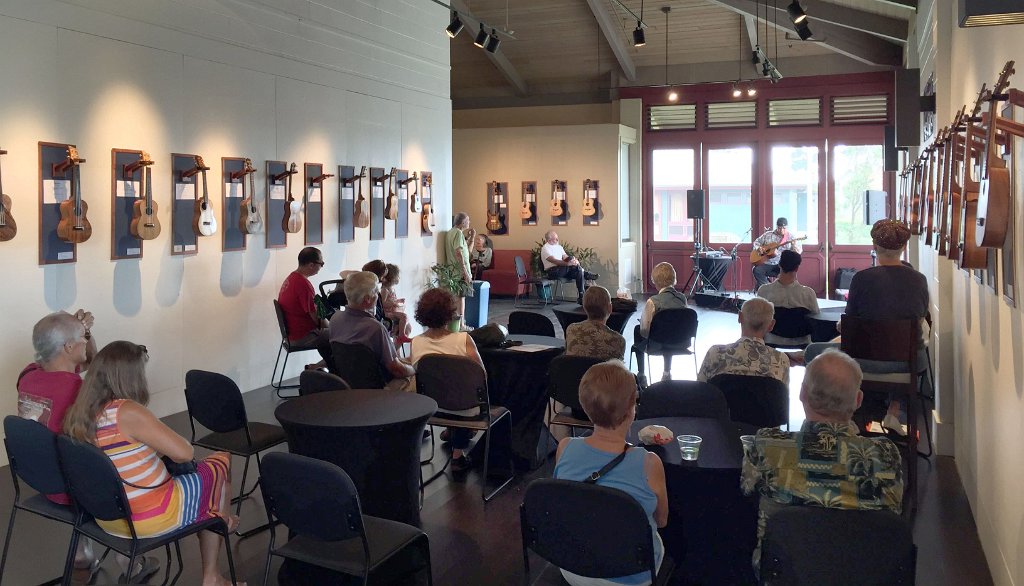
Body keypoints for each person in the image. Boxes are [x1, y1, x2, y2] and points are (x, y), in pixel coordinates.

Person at [63, 341, 239, 586]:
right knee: (220, 463)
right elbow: (185, 453)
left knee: (204, 480)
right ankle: (214, 567)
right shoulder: (128, 412)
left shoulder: (80, 413)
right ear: (130, 377)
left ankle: (218, 519)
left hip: (107, 517)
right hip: (150, 516)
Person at [741, 349, 903, 574]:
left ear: (801, 393)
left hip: (783, 574)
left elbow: (746, 489)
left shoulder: (767, 446)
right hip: (864, 574)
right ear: (858, 400)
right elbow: (892, 513)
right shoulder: (885, 455)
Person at [553, 360, 669, 586]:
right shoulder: (649, 462)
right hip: (631, 575)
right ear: (631, 409)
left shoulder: (564, 447)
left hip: (572, 568)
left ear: (584, 405)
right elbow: (661, 521)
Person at [17, 309, 113, 578]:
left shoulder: (27, 376)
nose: (86, 341)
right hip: (72, 490)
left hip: (41, 479)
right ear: (69, 347)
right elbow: (95, 364)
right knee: (111, 460)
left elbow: (79, 360)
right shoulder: (78, 390)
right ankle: (128, 558)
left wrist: (78, 330)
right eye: (83, 338)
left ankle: (83, 549)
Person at [844, 218, 929, 435]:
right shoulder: (918, 280)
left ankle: (847, 415)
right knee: (908, 347)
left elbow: (851, 319)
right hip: (907, 364)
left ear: (874, 247)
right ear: (904, 247)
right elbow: (919, 316)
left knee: (817, 352)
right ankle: (894, 410)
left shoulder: (861, 279)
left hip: (864, 361)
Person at [410, 288, 484, 472]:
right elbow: (481, 375)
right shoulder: (464, 339)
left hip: (431, 408)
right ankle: (457, 455)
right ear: (450, 313)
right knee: (463, 393)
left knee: (447, 389)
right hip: (465, 408)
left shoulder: (416, 342)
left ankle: (452, 431)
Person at [329, 271, 414, 390]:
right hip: (379, 390)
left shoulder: (335, 319)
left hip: (349, 386)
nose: (377, 295)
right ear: (368, 299)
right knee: (416, 376)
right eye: (376, 292)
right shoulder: (374, 328)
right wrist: (414, 368)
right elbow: (397, 370)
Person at [697, 297, 789, 386]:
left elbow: (701, 390)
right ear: (771, 325)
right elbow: (782, 398)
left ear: (740, 317)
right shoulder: (781, 360)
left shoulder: (716, 353)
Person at [633, 262, 688, 385]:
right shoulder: (682, 298)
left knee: (638, 329)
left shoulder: (653, 302)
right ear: (674, 279)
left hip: (658, 344)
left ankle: (641, 373)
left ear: (655, 282)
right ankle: (667, 372)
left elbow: (645, 330)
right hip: (681, 341)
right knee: (670, 329)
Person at [278, 247, 329, 370]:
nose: (321, 267)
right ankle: (327, 371)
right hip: (302, 336)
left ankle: (317, 366)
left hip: (292, 334)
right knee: (343, 335)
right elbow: (319, 320)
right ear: (311, 265)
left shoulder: (292, 278)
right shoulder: (303, 284)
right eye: (321, 263)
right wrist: (332, 323)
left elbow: (313, 305)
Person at [757, 250, 820, 347]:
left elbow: (759, 320)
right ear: (797, 268)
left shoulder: (764, 291)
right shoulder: (808, 293)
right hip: (802, 343)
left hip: (771, 342)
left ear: (779, 265)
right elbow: (816, 317)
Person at [566, 285, 626, 361]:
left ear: (584, 308)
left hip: (574, 373)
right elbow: (618, 370)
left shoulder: (571, 330)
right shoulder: (618, 340)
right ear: (610, 308)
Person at [541, 230, 599, 305]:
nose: (558, 240)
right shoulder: (545, 249)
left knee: (578, 270)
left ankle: (581, 296)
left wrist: (574, 261)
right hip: (553, 271)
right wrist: (568, 264)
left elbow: (566, 257)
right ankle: (586, 274)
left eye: (557, 238)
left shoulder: (559, 247)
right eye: (556, 239)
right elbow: (555, 261)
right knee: (576, 267)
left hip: (563, 270)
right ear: (549, 240)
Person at [752, 217, 803, 288]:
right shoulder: (768, 235)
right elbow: (756, 242)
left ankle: (784, 291)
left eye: (784, 228)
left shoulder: (791, 237)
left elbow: (798, 253)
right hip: (767, 263)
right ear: (776, 226)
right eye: (779, 228)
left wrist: (794, 245)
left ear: (787, 227)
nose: (781, 230)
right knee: (757, 270)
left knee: (789, 272)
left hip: (782, 264)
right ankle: (765, 289)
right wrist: (759, 248)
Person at [445, 212, 474, 329]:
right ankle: (461, 324)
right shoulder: (457, 233)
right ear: (462, 222)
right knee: (461, 298)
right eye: (468, 220)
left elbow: (468, 252)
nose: (469, 222)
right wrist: (465, 272)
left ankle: (457, 324)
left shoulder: (452, 232)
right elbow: (458, 252)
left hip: (454, 270)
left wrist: (472, 237)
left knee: (457, 298)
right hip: (459, 271)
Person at [382, 263, 412, 342]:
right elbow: (382, 303)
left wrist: (398, 301)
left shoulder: (392, 289)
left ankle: (397, 348)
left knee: (407, 325)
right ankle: (402, 335)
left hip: (393, 311)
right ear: (392, 277)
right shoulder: (385, 290)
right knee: (404, 317)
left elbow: (392, 300)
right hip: (387, 313)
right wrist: (393, 303)